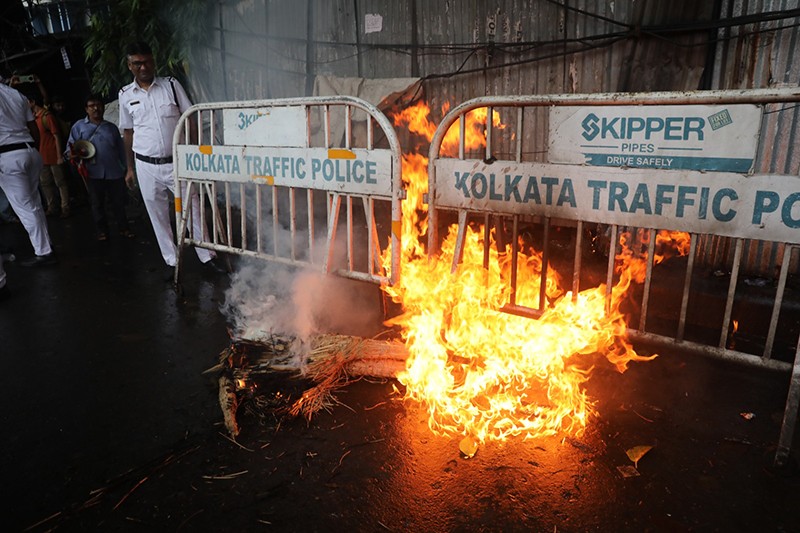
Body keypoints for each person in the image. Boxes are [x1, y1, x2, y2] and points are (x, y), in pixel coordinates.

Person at [118, 41, 225, 279]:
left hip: (177, 162)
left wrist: (195, 153)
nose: (143, 67)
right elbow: (128, 132)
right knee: (157, 215)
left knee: (193, 208)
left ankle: (207, 257)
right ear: (129, 65)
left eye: (147, 61)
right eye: (137, 63)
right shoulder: (125, 95)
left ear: (153, 60)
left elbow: (191, 118)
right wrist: (129, 168)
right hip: (145, 164)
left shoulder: (171, 86)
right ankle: (172, 261)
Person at [0, 75, 57, 268]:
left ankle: (44, 252)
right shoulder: (15, 94)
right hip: (30, 151)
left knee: (25, 208)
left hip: (7, 157)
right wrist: (32, 150)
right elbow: (33, 127)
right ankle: (46, 245)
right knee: (34, 204)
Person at [67, 94, 135, 241]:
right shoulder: (78, 126)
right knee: (97, 203)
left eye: (98, 105)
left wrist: (128, 168)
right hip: (92, 172)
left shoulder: (111, 128)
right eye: (92, 106)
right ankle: (102, 231)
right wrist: (74, 155)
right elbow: (70, 148)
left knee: (118, 202)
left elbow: (121, 150)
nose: (96, 108)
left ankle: (124, 228)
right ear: (86, 109)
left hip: (114, 171)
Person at [29, 92, 71, 218]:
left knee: (60, 182)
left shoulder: (47, 116)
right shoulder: (34, 118)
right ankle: (52, 206)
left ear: (32, 102)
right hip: (42, 157)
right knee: (46, 183)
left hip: (53, 155)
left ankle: (65, 207)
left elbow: (56, 135)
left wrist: (59, 156)